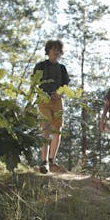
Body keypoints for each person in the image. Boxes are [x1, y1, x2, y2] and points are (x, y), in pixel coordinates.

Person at [32, 39, 70, 174]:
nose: (56, 52)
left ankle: (52, 159)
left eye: (59, 50)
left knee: (57, 130)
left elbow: (66, 87)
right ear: (48, 50)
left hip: (58, 101)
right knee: (46, 128)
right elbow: (34, 83)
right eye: (54, 49)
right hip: (43, 100)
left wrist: (60, 95)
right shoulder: (40, 66)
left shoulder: (62, 68)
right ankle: (44, 161)